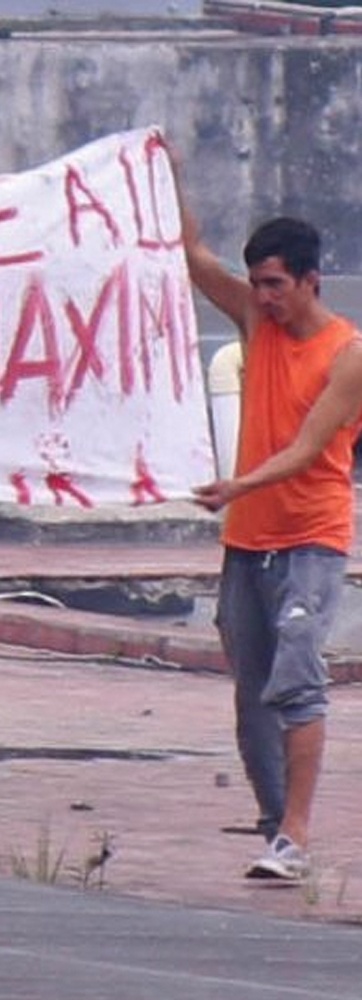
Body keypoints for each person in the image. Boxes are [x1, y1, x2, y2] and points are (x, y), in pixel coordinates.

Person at [178, 165, 362, 881]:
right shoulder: (257, 323)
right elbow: (195, 258)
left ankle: (297, 835)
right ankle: (274, 824)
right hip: (246, 542)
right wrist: (169, 173)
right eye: (256, 284)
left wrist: (237, 484)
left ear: (311, 281)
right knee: (252, 695)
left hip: (308, 541)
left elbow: (309, 449)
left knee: (296, 684)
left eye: (276, 284)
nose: (262, 297)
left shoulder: (347, 355)